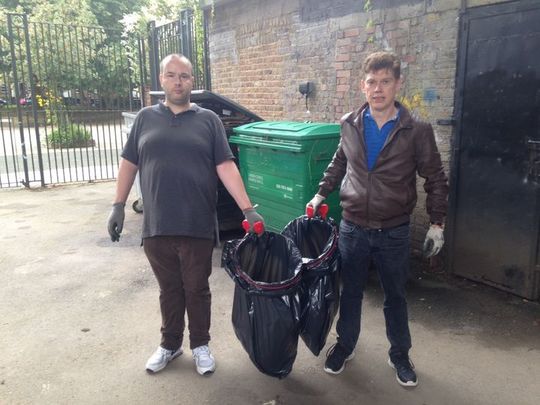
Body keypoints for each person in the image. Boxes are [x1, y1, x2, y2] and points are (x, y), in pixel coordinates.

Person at [107, 54, 264, 376]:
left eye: (184, 76)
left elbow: (225, 165)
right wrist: (118, 205)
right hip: (158, 224)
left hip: (197, 223)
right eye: (171, 75)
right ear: (161, 81)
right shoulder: (145, 119)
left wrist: (246, 207)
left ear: (193, 81)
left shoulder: (208, 120)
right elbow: (129, 163)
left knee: (197, 288)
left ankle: (201, 345)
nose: (178, 82)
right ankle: (170, 344)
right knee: (169, 289)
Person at [307, 51, 448, 387]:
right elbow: (339, 163)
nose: (379, 88)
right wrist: (319, 194)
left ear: (398, 84)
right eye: (372, 82)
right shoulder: (349, 124)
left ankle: (399, 352)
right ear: (363, 85)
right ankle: (345, 344)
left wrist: (437, 222)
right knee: (350, 290)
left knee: (395, 295)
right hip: (352, 227)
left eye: (386, 81)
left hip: (394, 230)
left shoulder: (416, 131)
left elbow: (436, 178)